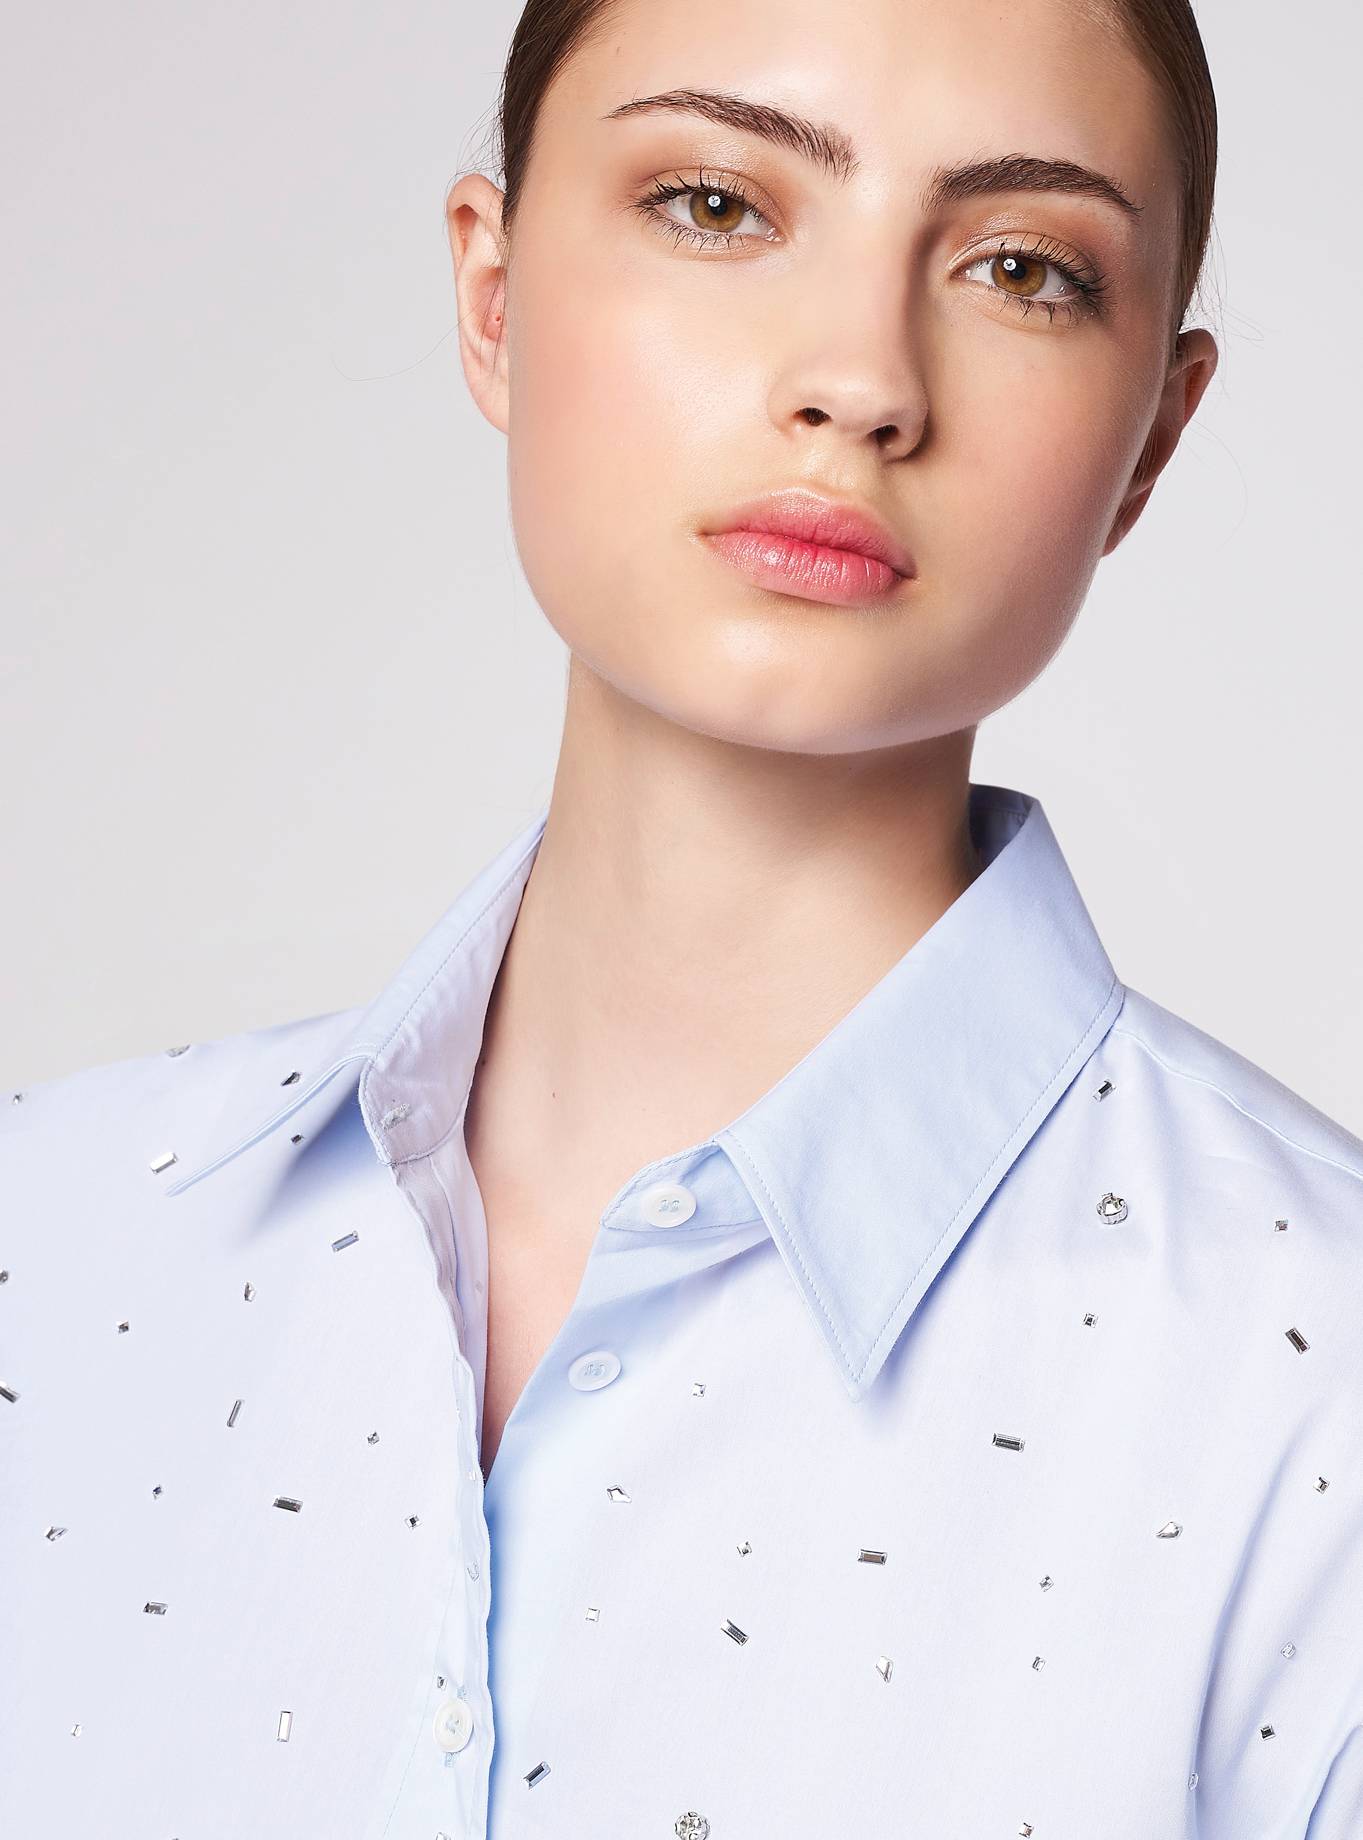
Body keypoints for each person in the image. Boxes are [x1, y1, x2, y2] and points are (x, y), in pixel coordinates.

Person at [3, 0, 1361, 1835]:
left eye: (1022, 268)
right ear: (493, 295)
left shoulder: (1315, 1401)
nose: (859, 381)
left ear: (1152, 442)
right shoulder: (51, 1248)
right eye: (718, 205)